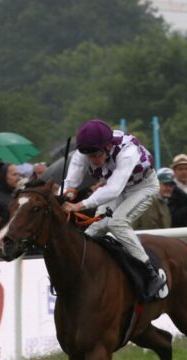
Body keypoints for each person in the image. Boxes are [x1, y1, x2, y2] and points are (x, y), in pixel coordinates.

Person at [60, 119, 165, 299]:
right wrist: (67, 194)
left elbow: (113, 189)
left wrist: (79, 205)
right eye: (89, 156)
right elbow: (71, 183)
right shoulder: (82, 153)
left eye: (96, 155)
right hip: (119, 188)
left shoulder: (127, 152)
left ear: (109, 146)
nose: (93, 160)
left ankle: (151, 273)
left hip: (143, 187)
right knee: (93, 231)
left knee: (117, 223)